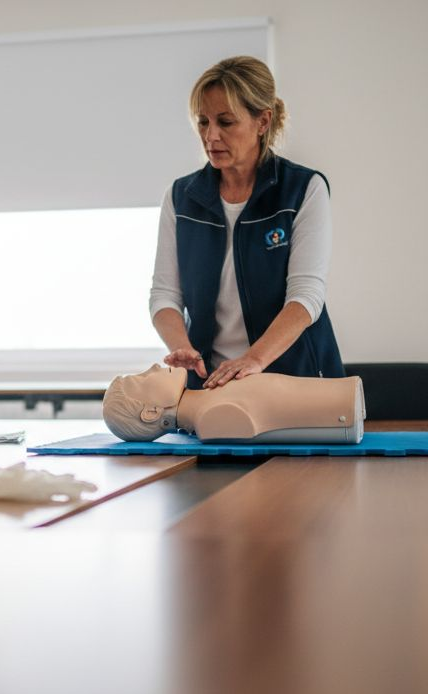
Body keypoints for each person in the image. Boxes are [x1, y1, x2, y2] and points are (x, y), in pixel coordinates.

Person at [150, 56, 345, 391]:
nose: (211, 135)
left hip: (294, 383)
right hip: (211, 385)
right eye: (203, 122)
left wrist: (253, 360)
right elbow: (165, 295)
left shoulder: (303, 190)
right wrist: (181, 346)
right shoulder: (181, 198)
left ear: (263, 121)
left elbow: (305, 297)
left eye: (225, 122)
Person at [102, 364, 364, 443]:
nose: (154, 367)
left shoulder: (210, 400)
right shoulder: (211, 417)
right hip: (343, 412)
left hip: (345, 400)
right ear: (151, 412)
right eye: (142, 378)